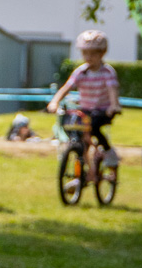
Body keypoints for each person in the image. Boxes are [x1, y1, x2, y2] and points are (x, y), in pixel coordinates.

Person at [47, 29, 121, 167]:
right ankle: (82, 170)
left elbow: (112, 90)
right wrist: (55, 102)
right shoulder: (81, 71)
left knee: (94, 129)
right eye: (85, 53)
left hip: (103, 111)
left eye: (93, 53)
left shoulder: (107, 72)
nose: (88, 57)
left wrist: (113, 105)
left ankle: (109, 152)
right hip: (85, 110)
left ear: (102, 53)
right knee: (74, 132)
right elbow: (66, 88)